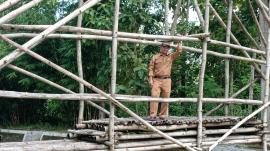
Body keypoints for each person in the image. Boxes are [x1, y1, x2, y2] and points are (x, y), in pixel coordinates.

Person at [148, 42, 183, 120]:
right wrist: (150, 79)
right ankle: (153, 115)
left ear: (169, 48)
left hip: (167, 80)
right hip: (156, 79)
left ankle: (162, 115)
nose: (165, 48)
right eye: (164, 47)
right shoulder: (155, 57)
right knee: (154, 96)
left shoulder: (171, 56)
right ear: (161, 47)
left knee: (166, 97)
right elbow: (151, 68)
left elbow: (179, 51)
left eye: (167, 47)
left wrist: (179, 42)